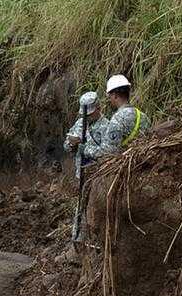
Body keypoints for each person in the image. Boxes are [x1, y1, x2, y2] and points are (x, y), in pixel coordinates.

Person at [64, 91, 109, 243]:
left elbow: (107, 152)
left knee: (94, 208)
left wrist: (85, 147)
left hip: (97, 174)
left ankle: (93, 241)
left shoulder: (107, 126)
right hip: (81, 173)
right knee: (80, 207)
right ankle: (77, 241)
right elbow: (66, 145)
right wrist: (71, 143)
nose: (87, 117)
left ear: (99, 108)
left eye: (90, 113)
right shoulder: (79, 123)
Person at [95, 75, 149, 158]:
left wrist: (86, 149)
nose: (109, 99)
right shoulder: (143, 116)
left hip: (126, 166)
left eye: (109, 96)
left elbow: (108, 152)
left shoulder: (117, 119)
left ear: (115, 95)